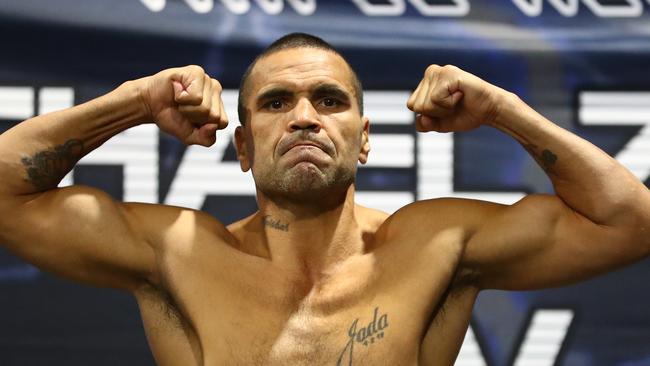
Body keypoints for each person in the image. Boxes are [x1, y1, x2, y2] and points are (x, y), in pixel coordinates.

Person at [0, 32, 648, 366]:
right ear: (244, 148)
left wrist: (504, 110)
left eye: (329, 101)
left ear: (363, 140)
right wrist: (136, 101)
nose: (305, 118)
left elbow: (628, 223)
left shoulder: (435, 245)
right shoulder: (178, 253)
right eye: (277, 103)